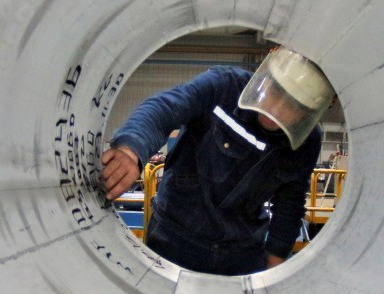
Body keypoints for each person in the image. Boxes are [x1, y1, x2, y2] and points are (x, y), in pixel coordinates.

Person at [100, 46, 335, 275]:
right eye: (276, 92)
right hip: (175, 241)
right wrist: (131, 149)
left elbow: (289, 204)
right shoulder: (223, 87)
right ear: (267, 79)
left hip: (241, 254)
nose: (276, 109)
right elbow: (165, 108)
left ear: (306, 113)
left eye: (292, 106)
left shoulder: (306, 141)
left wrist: (275, 263)